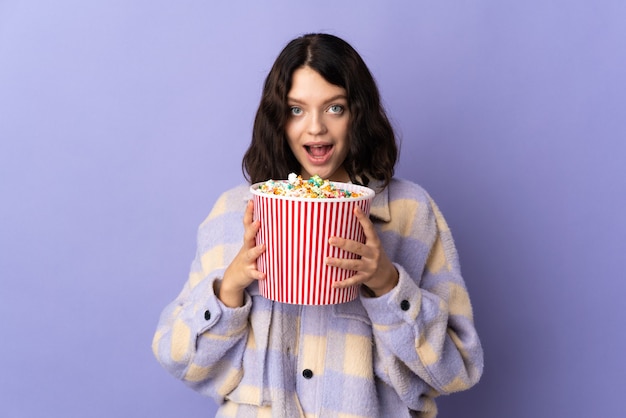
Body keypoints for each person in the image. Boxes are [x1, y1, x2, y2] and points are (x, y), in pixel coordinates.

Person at [152, 33, 483, 417]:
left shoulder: (410, 213)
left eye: (334, 108)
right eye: (296, 110)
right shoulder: (233, 213)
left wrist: (388, 284)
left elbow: (457, 370)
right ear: (277, 118)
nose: (315, 129)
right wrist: (229, 290)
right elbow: (179, 360)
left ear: (358, 113)